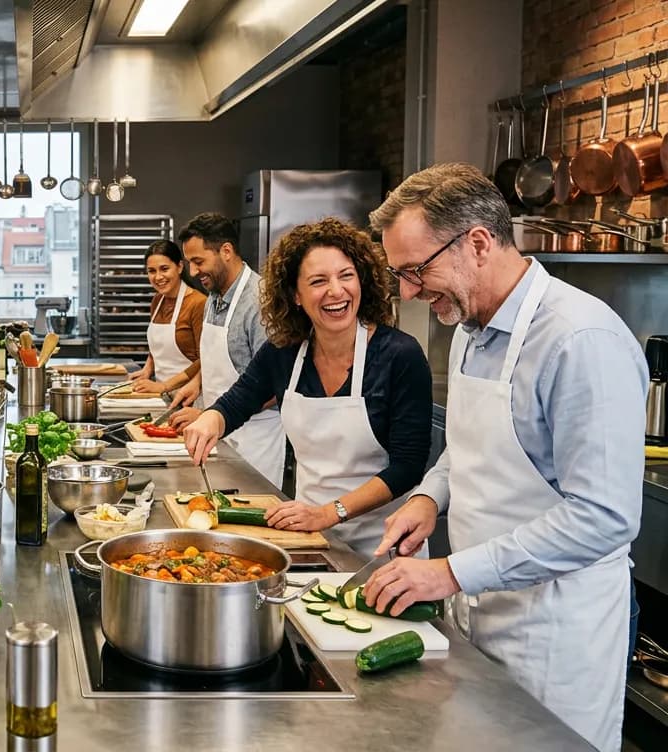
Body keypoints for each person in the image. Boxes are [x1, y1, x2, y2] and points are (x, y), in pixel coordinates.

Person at [364, 162, 643, 752]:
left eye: (416, 271)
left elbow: (603, 517)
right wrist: (427, 498)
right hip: (477, 618)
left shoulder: (581, 341)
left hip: (554, 637)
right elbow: (466, 448)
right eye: (400, 276)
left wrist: (449, 572)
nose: (409, 292)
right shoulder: (470, 326)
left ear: (479, 243)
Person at [182, 218, 432, 557]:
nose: (336, 291)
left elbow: (408, 466)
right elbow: (239, 401)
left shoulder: (399, 355)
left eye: (346, 276)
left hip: (385, 545)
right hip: (309, 538)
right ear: (296, 295)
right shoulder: (285, 352)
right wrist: (211, 419)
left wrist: (330, 512)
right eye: (318, 281)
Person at [166, 213, 286, 487]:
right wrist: (197, 384)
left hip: (253, 444)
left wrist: (214, 414)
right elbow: (222, 358)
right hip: (217, 435)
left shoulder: (260, 302)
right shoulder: (215, 296)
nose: (193, 272)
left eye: (199, 262)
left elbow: (275, 385)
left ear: (227, 251)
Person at [126, 239, 207, 397]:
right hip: (161, 393)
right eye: (151, 271)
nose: (158, 277)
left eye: (164, 269)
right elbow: (158, 346)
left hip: (190, 395)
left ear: (179, 267)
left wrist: (164, 386)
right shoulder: (157, 300)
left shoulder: (198, 303)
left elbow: (205, 359)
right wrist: (147, 370)